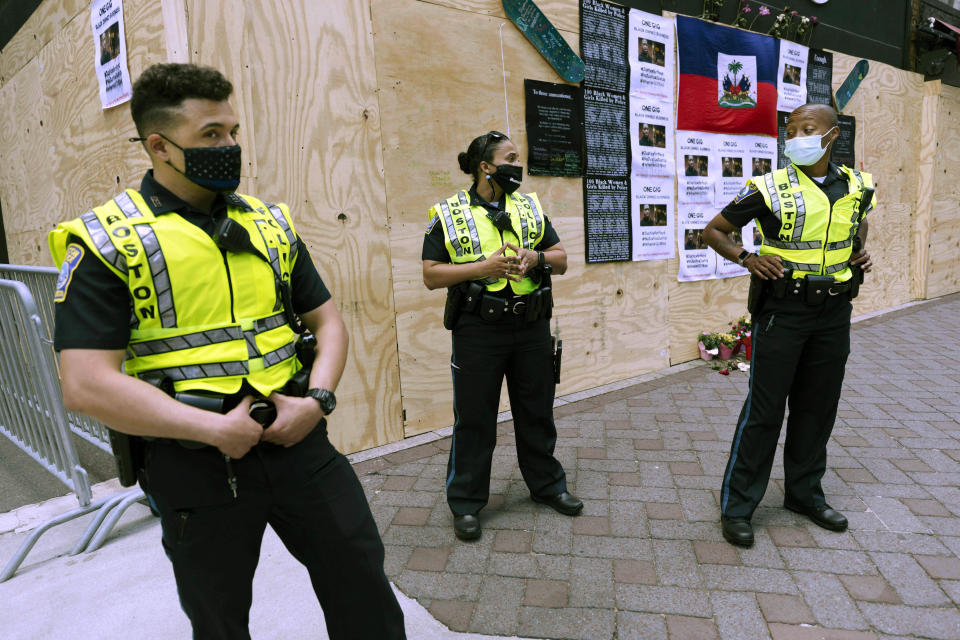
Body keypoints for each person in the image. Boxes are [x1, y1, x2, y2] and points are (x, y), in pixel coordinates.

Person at [48, 63, 405, 639]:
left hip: (300, 443)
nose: (230, 147)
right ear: (160, 145)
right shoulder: (107, 242)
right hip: (195, 468)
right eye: (211, 135)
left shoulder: (267, 223)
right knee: (219, 621)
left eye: (233, 132)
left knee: (364, 586)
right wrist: (212, 430)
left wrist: (317, 399)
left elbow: (329, 321)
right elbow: (85, 382)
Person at [702, 103, 876, 548]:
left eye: (807, 128)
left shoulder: (857, 184)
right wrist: (747, 258)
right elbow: (715, 231)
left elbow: (858, 223)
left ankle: (804, 494)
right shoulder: (767, 187)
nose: (796, 135)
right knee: (764, 412)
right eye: (791, 129)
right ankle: (738, 507)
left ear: (832, 135)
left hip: (834, 312)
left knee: (818, 408)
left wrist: (857, 251)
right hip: (784, 312)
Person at [421, 131, 583, 541]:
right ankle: (466, 504)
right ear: (485, 166)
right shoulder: (450, 212)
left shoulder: (528, 207)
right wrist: (482, 268)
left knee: (537, 411)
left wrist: (538, 258)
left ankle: (547, 487)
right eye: (510, 157)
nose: (518, 164)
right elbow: (430, 274)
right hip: (478, 330)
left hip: (531, 327)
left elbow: (562, 259)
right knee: (474, 419)